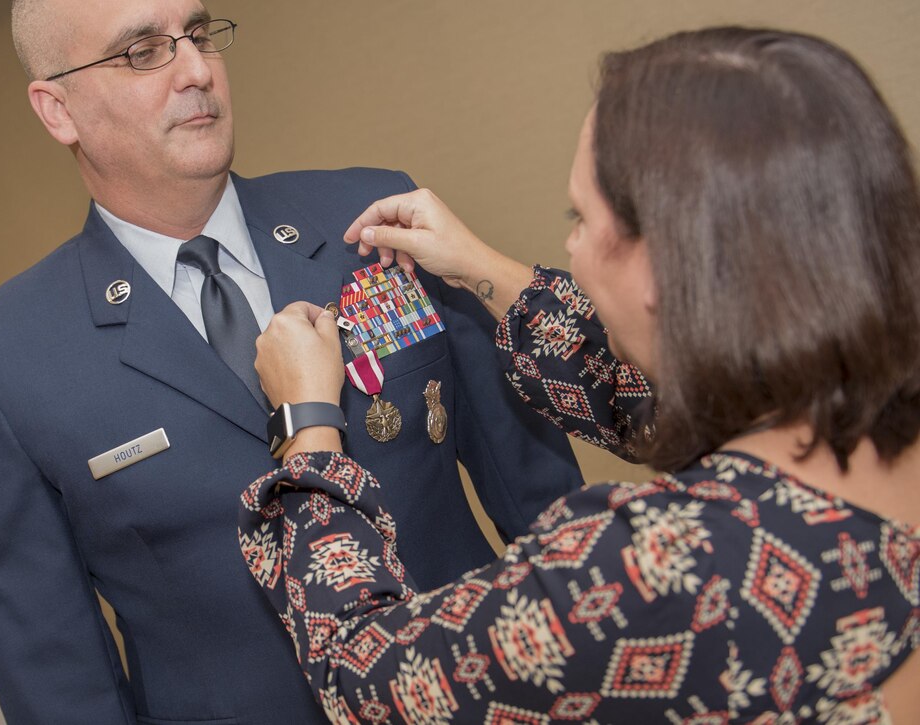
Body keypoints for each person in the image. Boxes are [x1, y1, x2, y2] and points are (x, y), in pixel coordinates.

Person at [241, 26, 920, 722]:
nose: (569, 245)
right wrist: (483, 267)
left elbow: (370, 679)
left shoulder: (653, 568)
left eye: (581, 218)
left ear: (665, 263)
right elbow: (654, 398)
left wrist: (308, 430)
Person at [0, 1, 582, 722]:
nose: (198, 70)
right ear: (58, 109)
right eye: (143, 50)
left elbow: (540, 498)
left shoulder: (372, 222)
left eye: (199, 35)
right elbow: (55, 677)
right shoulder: (1, 359)